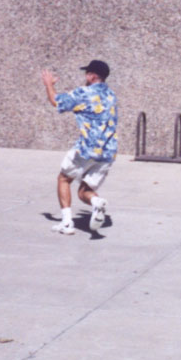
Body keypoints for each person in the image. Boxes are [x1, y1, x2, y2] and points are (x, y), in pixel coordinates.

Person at [42, 60, 118, 235]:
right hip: (108, 152)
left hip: (87, 148)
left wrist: (48, 85)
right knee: (85, 191)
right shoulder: (111, 95)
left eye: (87, 74)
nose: (85, 77)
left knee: (63, 179)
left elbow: (56, 101)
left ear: (92, 76)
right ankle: (96, 203)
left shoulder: (84, 93)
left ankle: (67, 223)